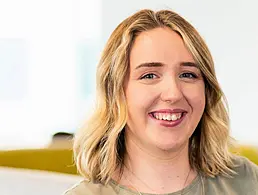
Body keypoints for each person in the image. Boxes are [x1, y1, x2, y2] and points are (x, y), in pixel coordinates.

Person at [64, 9, 258, 195]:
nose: (173, 93)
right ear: (115, 92)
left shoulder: (247, 181)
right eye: (149, 75)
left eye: (188, 74)